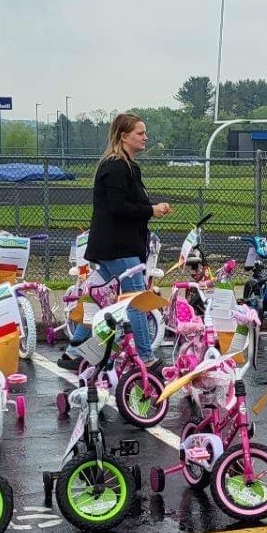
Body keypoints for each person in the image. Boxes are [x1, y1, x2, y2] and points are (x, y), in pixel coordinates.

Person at [85, 112, 170, 361]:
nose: (146, 137)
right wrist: (150, 210)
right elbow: (117, 207)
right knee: (137, 302)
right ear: (124, 136)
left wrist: (153, 208)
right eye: (140, 133)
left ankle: (74, 350)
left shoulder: (129, 166)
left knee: (103, 299)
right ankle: (146, 357)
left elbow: (131, 203)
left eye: (145, 133)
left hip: (121, 247)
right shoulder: (116, 166)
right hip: (118, 248)